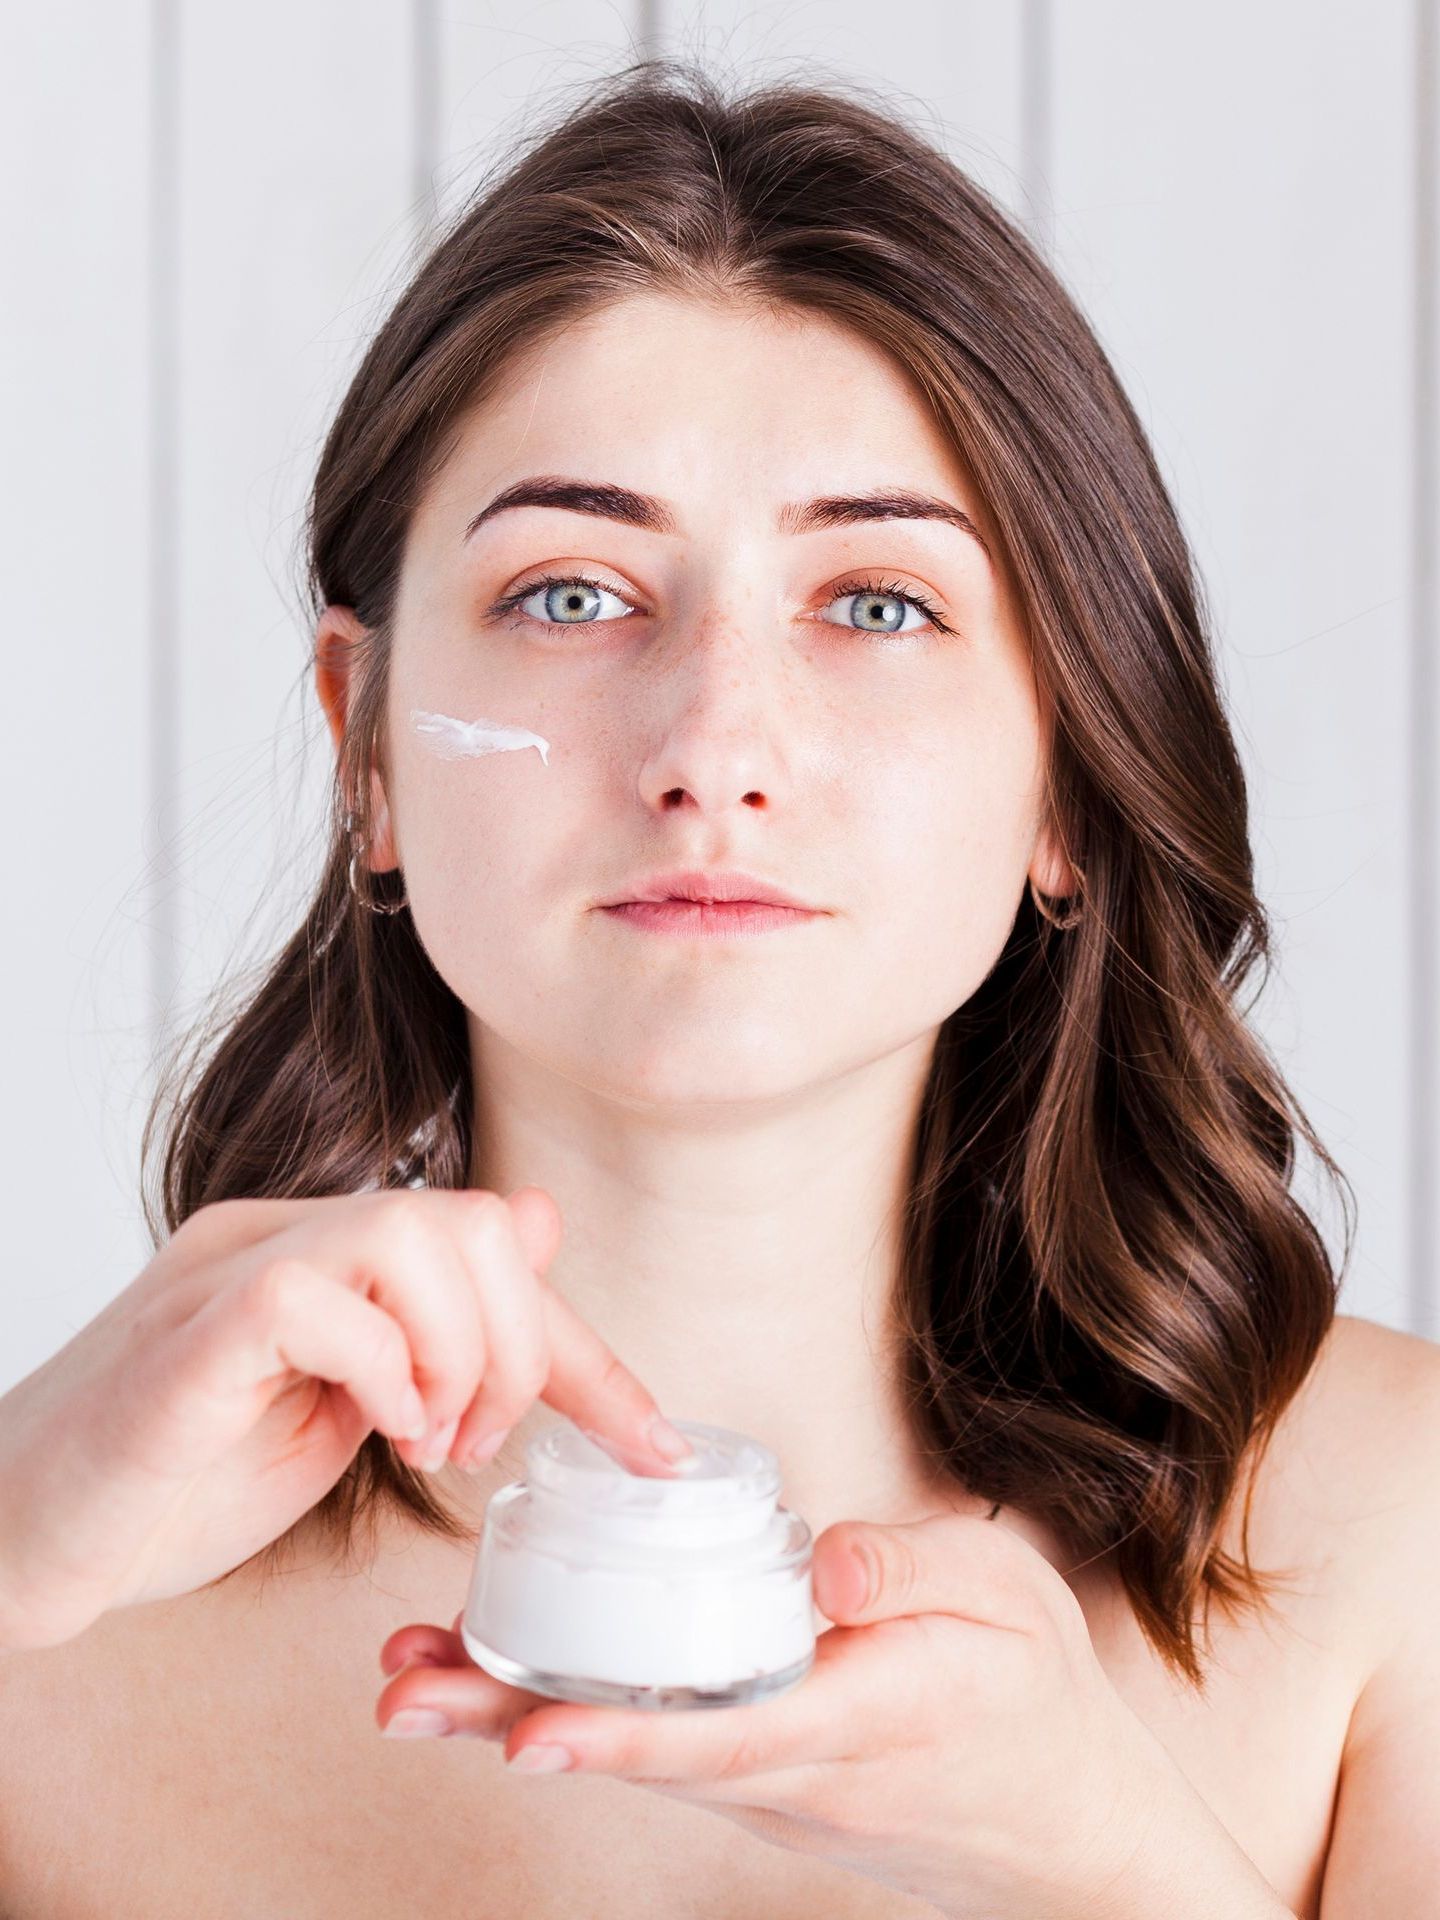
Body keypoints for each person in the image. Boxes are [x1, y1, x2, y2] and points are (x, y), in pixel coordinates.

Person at [0, 56, 1435, 1919]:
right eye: (576, 595)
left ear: (1070, 781)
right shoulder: (64, 1621)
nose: (715, 749)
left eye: (879, 604)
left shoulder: (1394, 1536)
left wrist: (1111, 1864)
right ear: (366, 756)